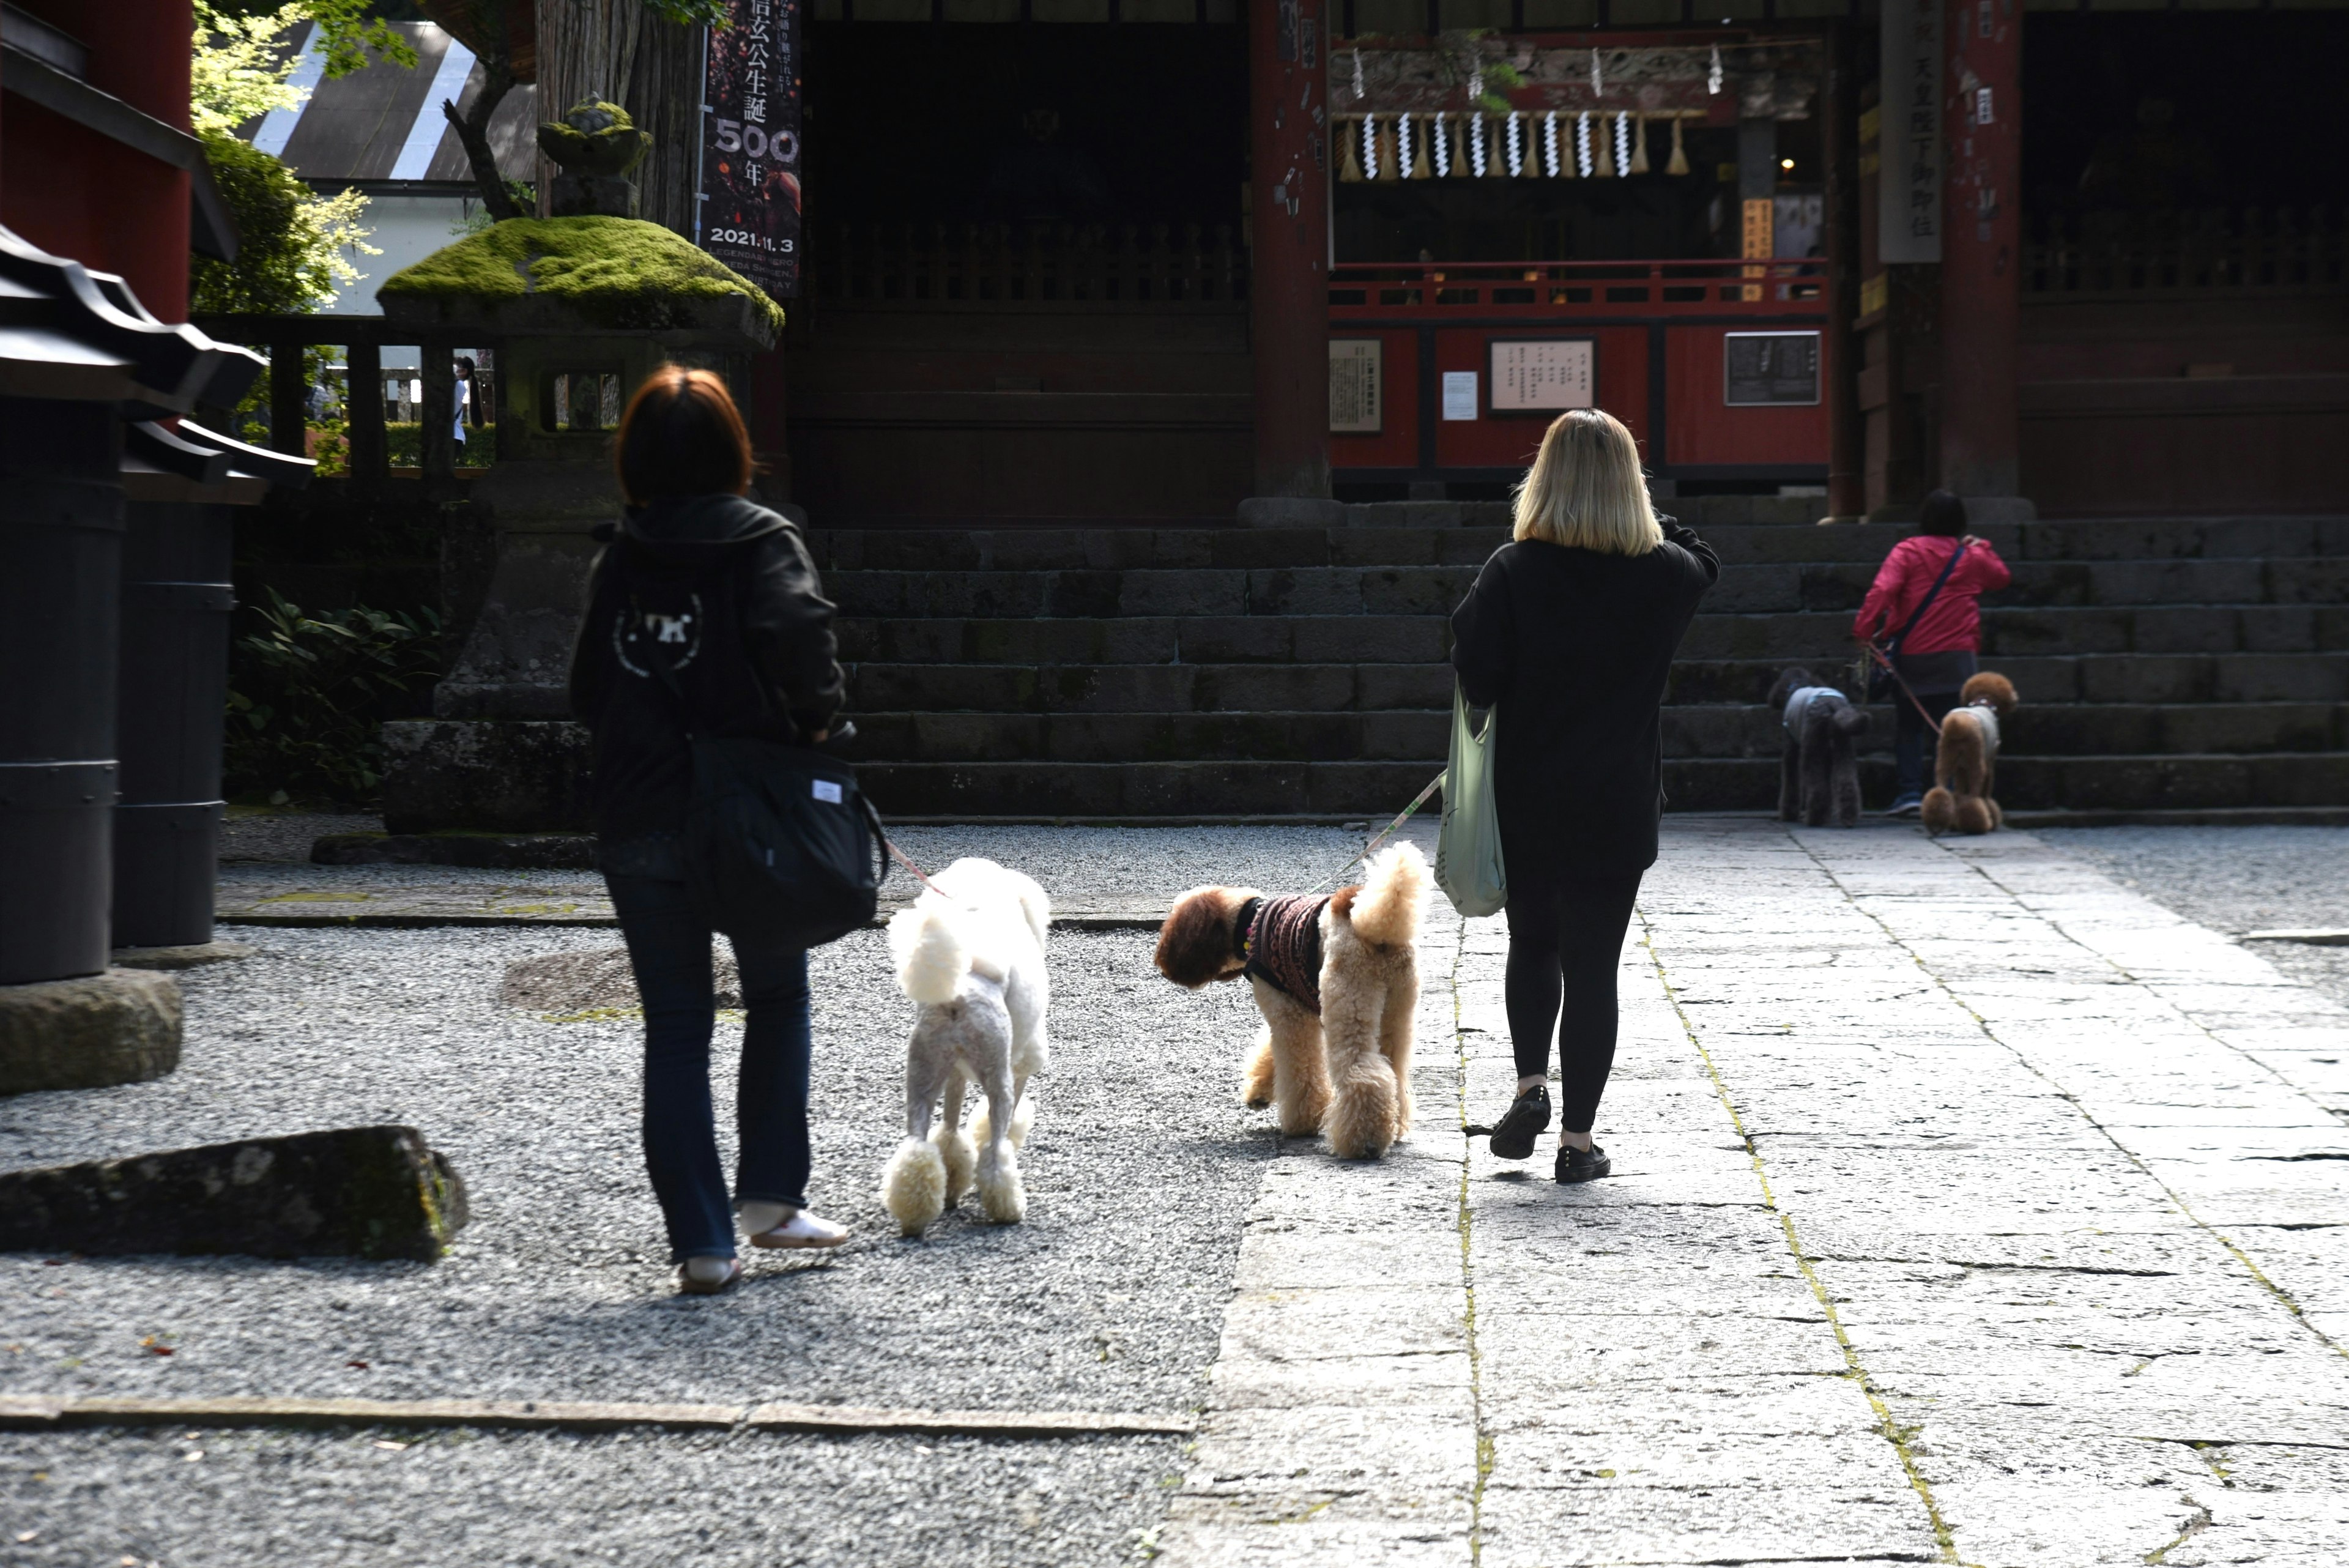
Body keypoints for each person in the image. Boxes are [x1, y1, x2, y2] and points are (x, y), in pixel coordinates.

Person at [568, 366, 851, 1295]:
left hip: (640, 809)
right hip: (750, 811)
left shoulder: (621, 555)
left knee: (677, 1024)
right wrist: (814, 729)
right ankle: (771, 1198)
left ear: (636, 455)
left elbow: (583, 688)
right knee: (776, 995)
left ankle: (701, 1243)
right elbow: (803, 645)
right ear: (734, 448)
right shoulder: (762, 541)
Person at [1450, 408, 1720, 1184]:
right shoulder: (1665, 573)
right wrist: (1644, 511)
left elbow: (1477, 671)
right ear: (1629, 483)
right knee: (1594, 967)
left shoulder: (1512, 567)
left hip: (1529, 795)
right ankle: (1577, 1141)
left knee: (1532, 943)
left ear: (1544, 479)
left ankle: (1530, 1085)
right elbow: (1706, 555)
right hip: (1618, 798)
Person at [1852, 489, 2012, 817]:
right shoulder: (1971, 556)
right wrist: (1981, 545)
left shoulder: (1907, 551)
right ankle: (1952, 792)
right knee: (1955, 726)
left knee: (1909, 726)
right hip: (1958, 656)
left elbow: (1883, 590)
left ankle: (1910, 792)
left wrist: (1864, 630)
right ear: (1960, 522)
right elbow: (2001, 577)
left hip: (1913, 653)